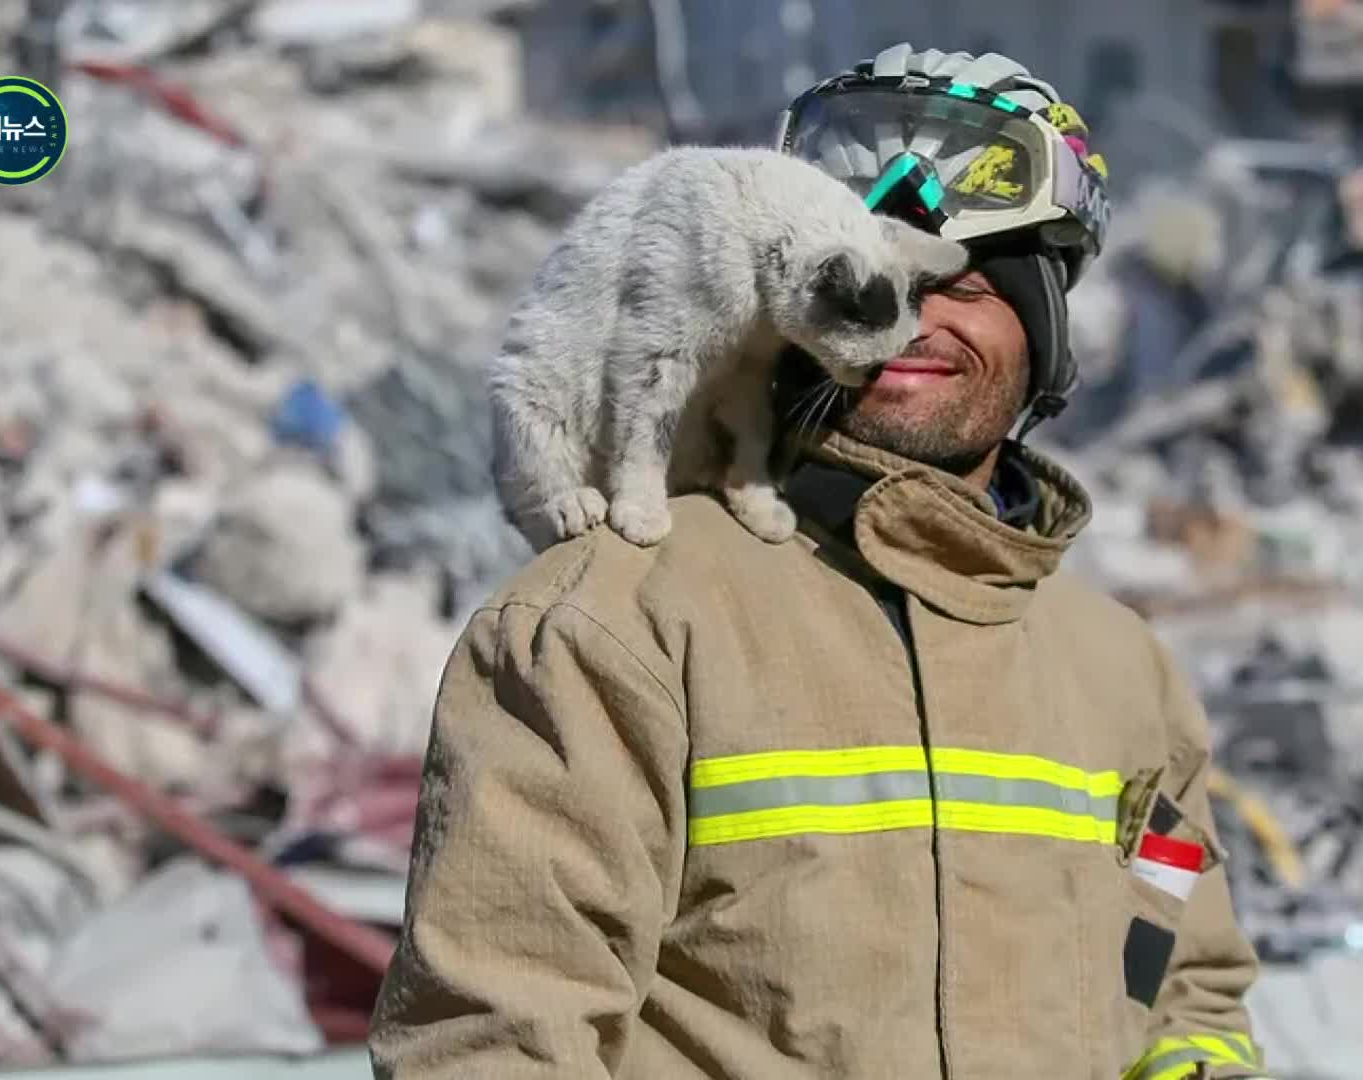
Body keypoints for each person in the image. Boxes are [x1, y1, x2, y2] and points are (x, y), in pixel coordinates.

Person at [370, 44, 1275, 1080]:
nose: (914, 323)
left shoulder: (1126, 672)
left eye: (967, 285)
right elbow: (495, 1040)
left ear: (1045, 332)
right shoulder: (614, 624)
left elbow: (1178, 970)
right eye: (882, 283)